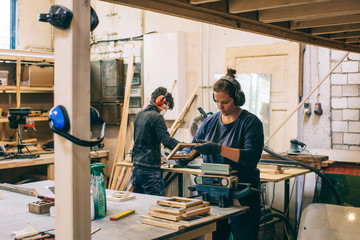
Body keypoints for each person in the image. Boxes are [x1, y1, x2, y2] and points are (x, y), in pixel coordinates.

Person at [179, 68, 264, 240]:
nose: (220, 107)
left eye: (225, 102)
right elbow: (195, 145)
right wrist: (182, 156)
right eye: (217, 102)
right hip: (213, 194)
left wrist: (219, 149)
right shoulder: (209, 122)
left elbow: (251, 157)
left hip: (242, 195)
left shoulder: (250, 123)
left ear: (237, 99)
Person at [132, 86, 180, 196]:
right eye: (166, 106)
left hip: (136, 168)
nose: (165, 110)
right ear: (160, 101)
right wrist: (185, 147)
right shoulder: (157, 117)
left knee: (139, 204)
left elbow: (144, 140)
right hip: (150, 171)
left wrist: (158, 155)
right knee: (156, 206)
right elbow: (166, 140)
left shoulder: (139, 114)